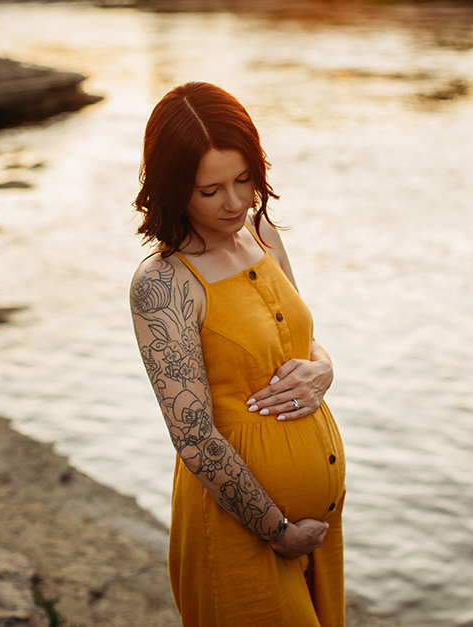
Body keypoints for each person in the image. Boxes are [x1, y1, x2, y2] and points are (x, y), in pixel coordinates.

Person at [130, 81, 346, 626]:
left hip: (316, 531)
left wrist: (324, 370)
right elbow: (193, 436)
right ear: (173, 187)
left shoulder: (263, 232)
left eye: (244, 179)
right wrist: (278, 530)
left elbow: (301, 340)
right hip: (241, 529)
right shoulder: (164, 285)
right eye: (210, 190)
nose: (234, 202)